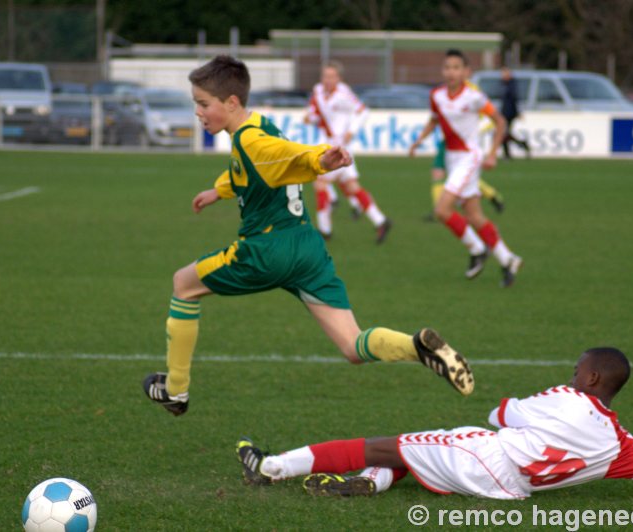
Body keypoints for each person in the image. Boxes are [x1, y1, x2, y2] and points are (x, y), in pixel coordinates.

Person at [141, 56, 474, 416]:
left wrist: (321, 160)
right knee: (352, 345)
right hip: (306, 248)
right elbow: (257, 170)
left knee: (183, 284)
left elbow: (289, 155)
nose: (198, 112)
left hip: (266, 250)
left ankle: (175, 390)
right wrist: (217, 191)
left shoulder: (253, 141)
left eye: (203, 104)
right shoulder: (260, 126)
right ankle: (417, 347)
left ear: (231, 102)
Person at [236, 347, 633, 502]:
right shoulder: (622, 443)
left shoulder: (565, 398)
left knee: (383, 444)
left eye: (579, 367)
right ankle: (368, 485)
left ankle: (273, 467)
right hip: (512, 489)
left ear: (594, 376)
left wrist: (516, 408)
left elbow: (499, 415)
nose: (572, 372)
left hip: (488, 458)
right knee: (427, 444)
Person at [410, 50, 522, 287]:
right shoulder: (437, 95)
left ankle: (477, 248)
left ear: (466, 72)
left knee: (441, 210)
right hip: (452, 159)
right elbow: (434, 119)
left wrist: (492, 153)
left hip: (469, 158)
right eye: (447, 67)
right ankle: (508, 259)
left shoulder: (474, 97)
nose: (451, 72)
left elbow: (500, 122)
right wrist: (420, 140)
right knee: (474, 216)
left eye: (456, 67)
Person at [305, 61, 392, 243]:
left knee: (320, 183)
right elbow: (318, 114)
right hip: (330, 145)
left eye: (332, 76)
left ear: (339, 78)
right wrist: (311, 117)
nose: (327, 80)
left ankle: (325, 230)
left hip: (338, 148)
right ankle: (380, 221)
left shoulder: (343, 93)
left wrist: (352, 130)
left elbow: (362, 111)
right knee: (352, 187)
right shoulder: (319, 91)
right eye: (325, 76)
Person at [500, 66, 531, 159]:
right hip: (504, 113)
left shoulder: (511, 85)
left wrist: (517, 112)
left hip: (509, 114)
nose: (502, 75)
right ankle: (509, 153)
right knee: (504, 133)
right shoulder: (504, 84)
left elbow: (514, 100)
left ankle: (514, 150)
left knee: (504, 133)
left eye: (504, 73)